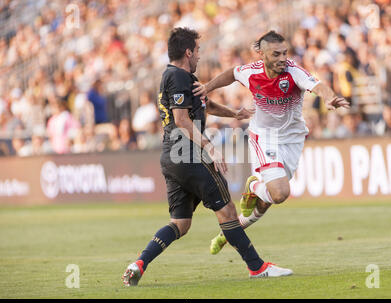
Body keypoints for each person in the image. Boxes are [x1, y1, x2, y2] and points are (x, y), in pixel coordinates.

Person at [122, 27, 293, 287]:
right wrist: (209, 146)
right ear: (188, 51)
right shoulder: (178, 76)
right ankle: (257, 268)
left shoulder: (180, 77)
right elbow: (181, 120)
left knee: (180, 223)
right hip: (187, 153)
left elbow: (206, 104)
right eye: (198, 51)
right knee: (227, 211)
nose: (200, 56)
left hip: (171, 157)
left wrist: (234, 113)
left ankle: (139, 263)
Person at [193, 30, 349, 254]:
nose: (283, 58)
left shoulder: (294, 72)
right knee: (279, 193)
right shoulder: (251, 72)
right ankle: (254, 186)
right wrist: (207, 87)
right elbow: (232, 74)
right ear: (262, 54)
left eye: (285, 53)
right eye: (276, 54)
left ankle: (227, 233)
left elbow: (318, 86)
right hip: (265, 137)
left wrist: (327, 97)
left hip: (293, 139)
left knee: (266, 203)